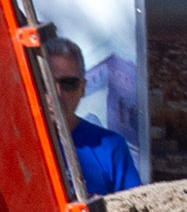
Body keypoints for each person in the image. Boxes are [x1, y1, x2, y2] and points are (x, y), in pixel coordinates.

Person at [41, 27, 146, 197]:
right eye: (46, 83)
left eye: (68, 84)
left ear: (82, 88)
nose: (57, 93)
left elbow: (136, 210)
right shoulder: (14, 143)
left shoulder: (110, 147)